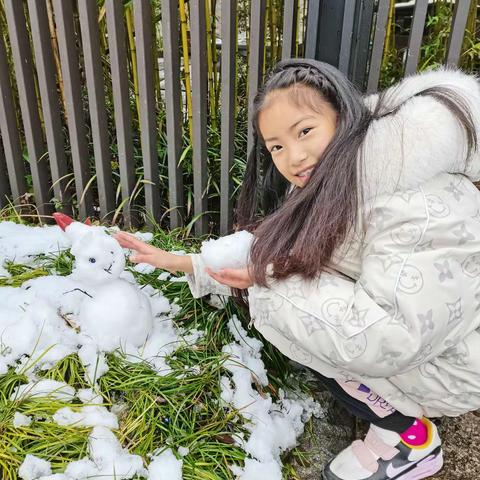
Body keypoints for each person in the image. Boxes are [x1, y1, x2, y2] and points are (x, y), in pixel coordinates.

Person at [114, 58, 480, 480]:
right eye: (277, 146)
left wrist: (266, 283)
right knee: (294, 303)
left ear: (344, 115)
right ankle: (396, 418)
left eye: (304, 131)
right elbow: (282, 253)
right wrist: (184, 262)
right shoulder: (351, 177)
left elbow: (389, 337)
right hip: (422, 344)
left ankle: (410, 440)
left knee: (290, 314)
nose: (294, 156)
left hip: (453, 366)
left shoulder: (413, 201)